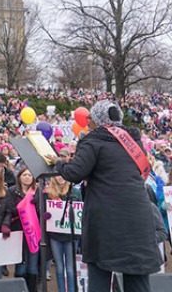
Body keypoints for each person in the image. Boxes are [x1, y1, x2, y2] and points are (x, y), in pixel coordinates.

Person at [48, 100, 161, 292]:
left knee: (100, 272)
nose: (88, 121)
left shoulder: (94, 140)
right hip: (137, 215)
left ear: (98, 120)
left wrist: (59, 163)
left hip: (106, 218)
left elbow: (75, 173)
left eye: (91, 117)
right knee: (137, 274)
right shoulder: (134, 141)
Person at [45, 176, 82, 292]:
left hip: (71, 235)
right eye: (58, 175)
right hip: (55, 235)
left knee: (70, 268)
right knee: (59, 267)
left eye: (63, 175)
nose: (60, 177)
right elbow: (42, 209)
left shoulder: (75, 192)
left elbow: (80, 210)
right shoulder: (48, 192)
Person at [6, 167, 39, 292]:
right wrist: (23, 206)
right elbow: (9, 210)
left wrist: (36, 204)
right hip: (18, 231)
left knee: (33, 265)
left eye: (29, 175)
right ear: (19, 177)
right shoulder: (12, 191)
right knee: (20, 264)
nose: (27, 177)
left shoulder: (37, 192)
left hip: (34, 233)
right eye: (24, 174)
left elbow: (42, 213)